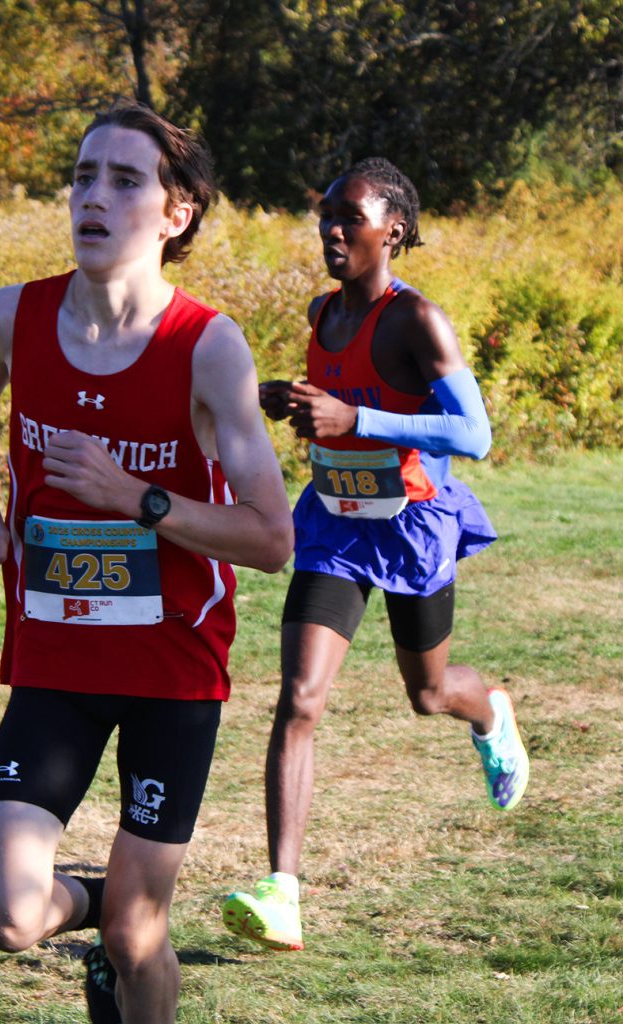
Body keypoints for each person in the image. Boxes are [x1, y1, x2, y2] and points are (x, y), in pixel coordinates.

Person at [0, 99, 293, 1024]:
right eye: (81, 175)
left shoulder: (206, 348)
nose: (92, 196)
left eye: (124, 178)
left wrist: (132, 496)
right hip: (56, 664)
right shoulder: (13, 317)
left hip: (170, 672)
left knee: (141, 946)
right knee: (8, 913)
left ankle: (127, 930)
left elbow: (270, 539)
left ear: (175, 213)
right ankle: (114, 905)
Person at [221, 157, 529, 953]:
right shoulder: (323, 313)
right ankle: (281, 890)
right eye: (324, 214)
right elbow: (339, 413)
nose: (330, 228)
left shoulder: (417, 320)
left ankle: (488, 707)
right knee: (299, 697)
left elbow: (475, 435)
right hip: (334, 523)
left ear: (390, 231)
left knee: (426, 694)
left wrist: (354, 417)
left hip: (413, 523)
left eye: (347, 217)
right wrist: (297, 404)